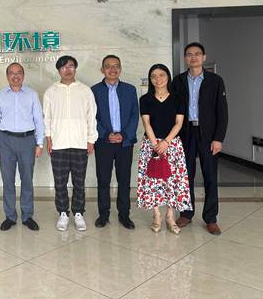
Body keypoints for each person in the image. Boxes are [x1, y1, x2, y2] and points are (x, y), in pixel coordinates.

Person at [173, 42, 228, 235]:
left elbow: (222, 112)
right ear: (185, 58)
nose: (193, 57)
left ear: (204, 57)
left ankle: (211, 218)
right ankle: (186, 214)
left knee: (210, 176)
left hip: (208, 135)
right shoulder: (178, 81)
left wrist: (218, 138)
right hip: (185, 133)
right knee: (185, 176)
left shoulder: (215, 81)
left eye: (197, 54)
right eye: (189, 54)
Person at [43, 55, 98, 231]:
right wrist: (49, 139)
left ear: (75, 68)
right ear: (59, 70)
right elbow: (47, 117)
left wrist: (91, 139)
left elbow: (91, 116)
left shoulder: (85, 90)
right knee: (60, 182)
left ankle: (78, 213)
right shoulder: (51, 91)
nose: (68, 70)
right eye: (64, 67)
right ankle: (63, 213)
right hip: (58, 144)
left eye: (71, 66)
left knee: (79, 181)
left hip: (80, 143)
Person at [138, 64, 191, 234]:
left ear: (168, 76)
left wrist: (166, 142)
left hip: (172, 144)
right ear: (150, 79)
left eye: (161, 75)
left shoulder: (178, 98)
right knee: (152, 180)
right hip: (151, 144)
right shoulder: (145, 99)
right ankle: (156, 215)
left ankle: (170, 215)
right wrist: (156, 144)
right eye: (153, 76)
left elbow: (179, 123)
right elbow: (146, 123)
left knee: (173, 180)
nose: (158, 79)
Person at [0, 62, 44, 231]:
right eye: (12, 73)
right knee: (8, 180)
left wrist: (40, 143)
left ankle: (27, 215)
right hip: (5, 141)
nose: (15, 76)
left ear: (23, 75)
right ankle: (10, 216)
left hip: (27, 140)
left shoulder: (32, 95)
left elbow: (39, 120)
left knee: (27, 179)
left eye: (19, 72)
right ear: (7, 76)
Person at [92, 55, 139, 229]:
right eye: (108, 66)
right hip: (103, 142)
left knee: (124, 180)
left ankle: (124, 215)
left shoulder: (130, 90)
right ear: (102, 69)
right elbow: (92, 117)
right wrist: (106, 134)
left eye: (116, 66)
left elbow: (135, 115)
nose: (113, 69)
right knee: (103, 180)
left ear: (120, 68)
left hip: (125, 143)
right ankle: (103, 214)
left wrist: (124, 135)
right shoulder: (94, 91)